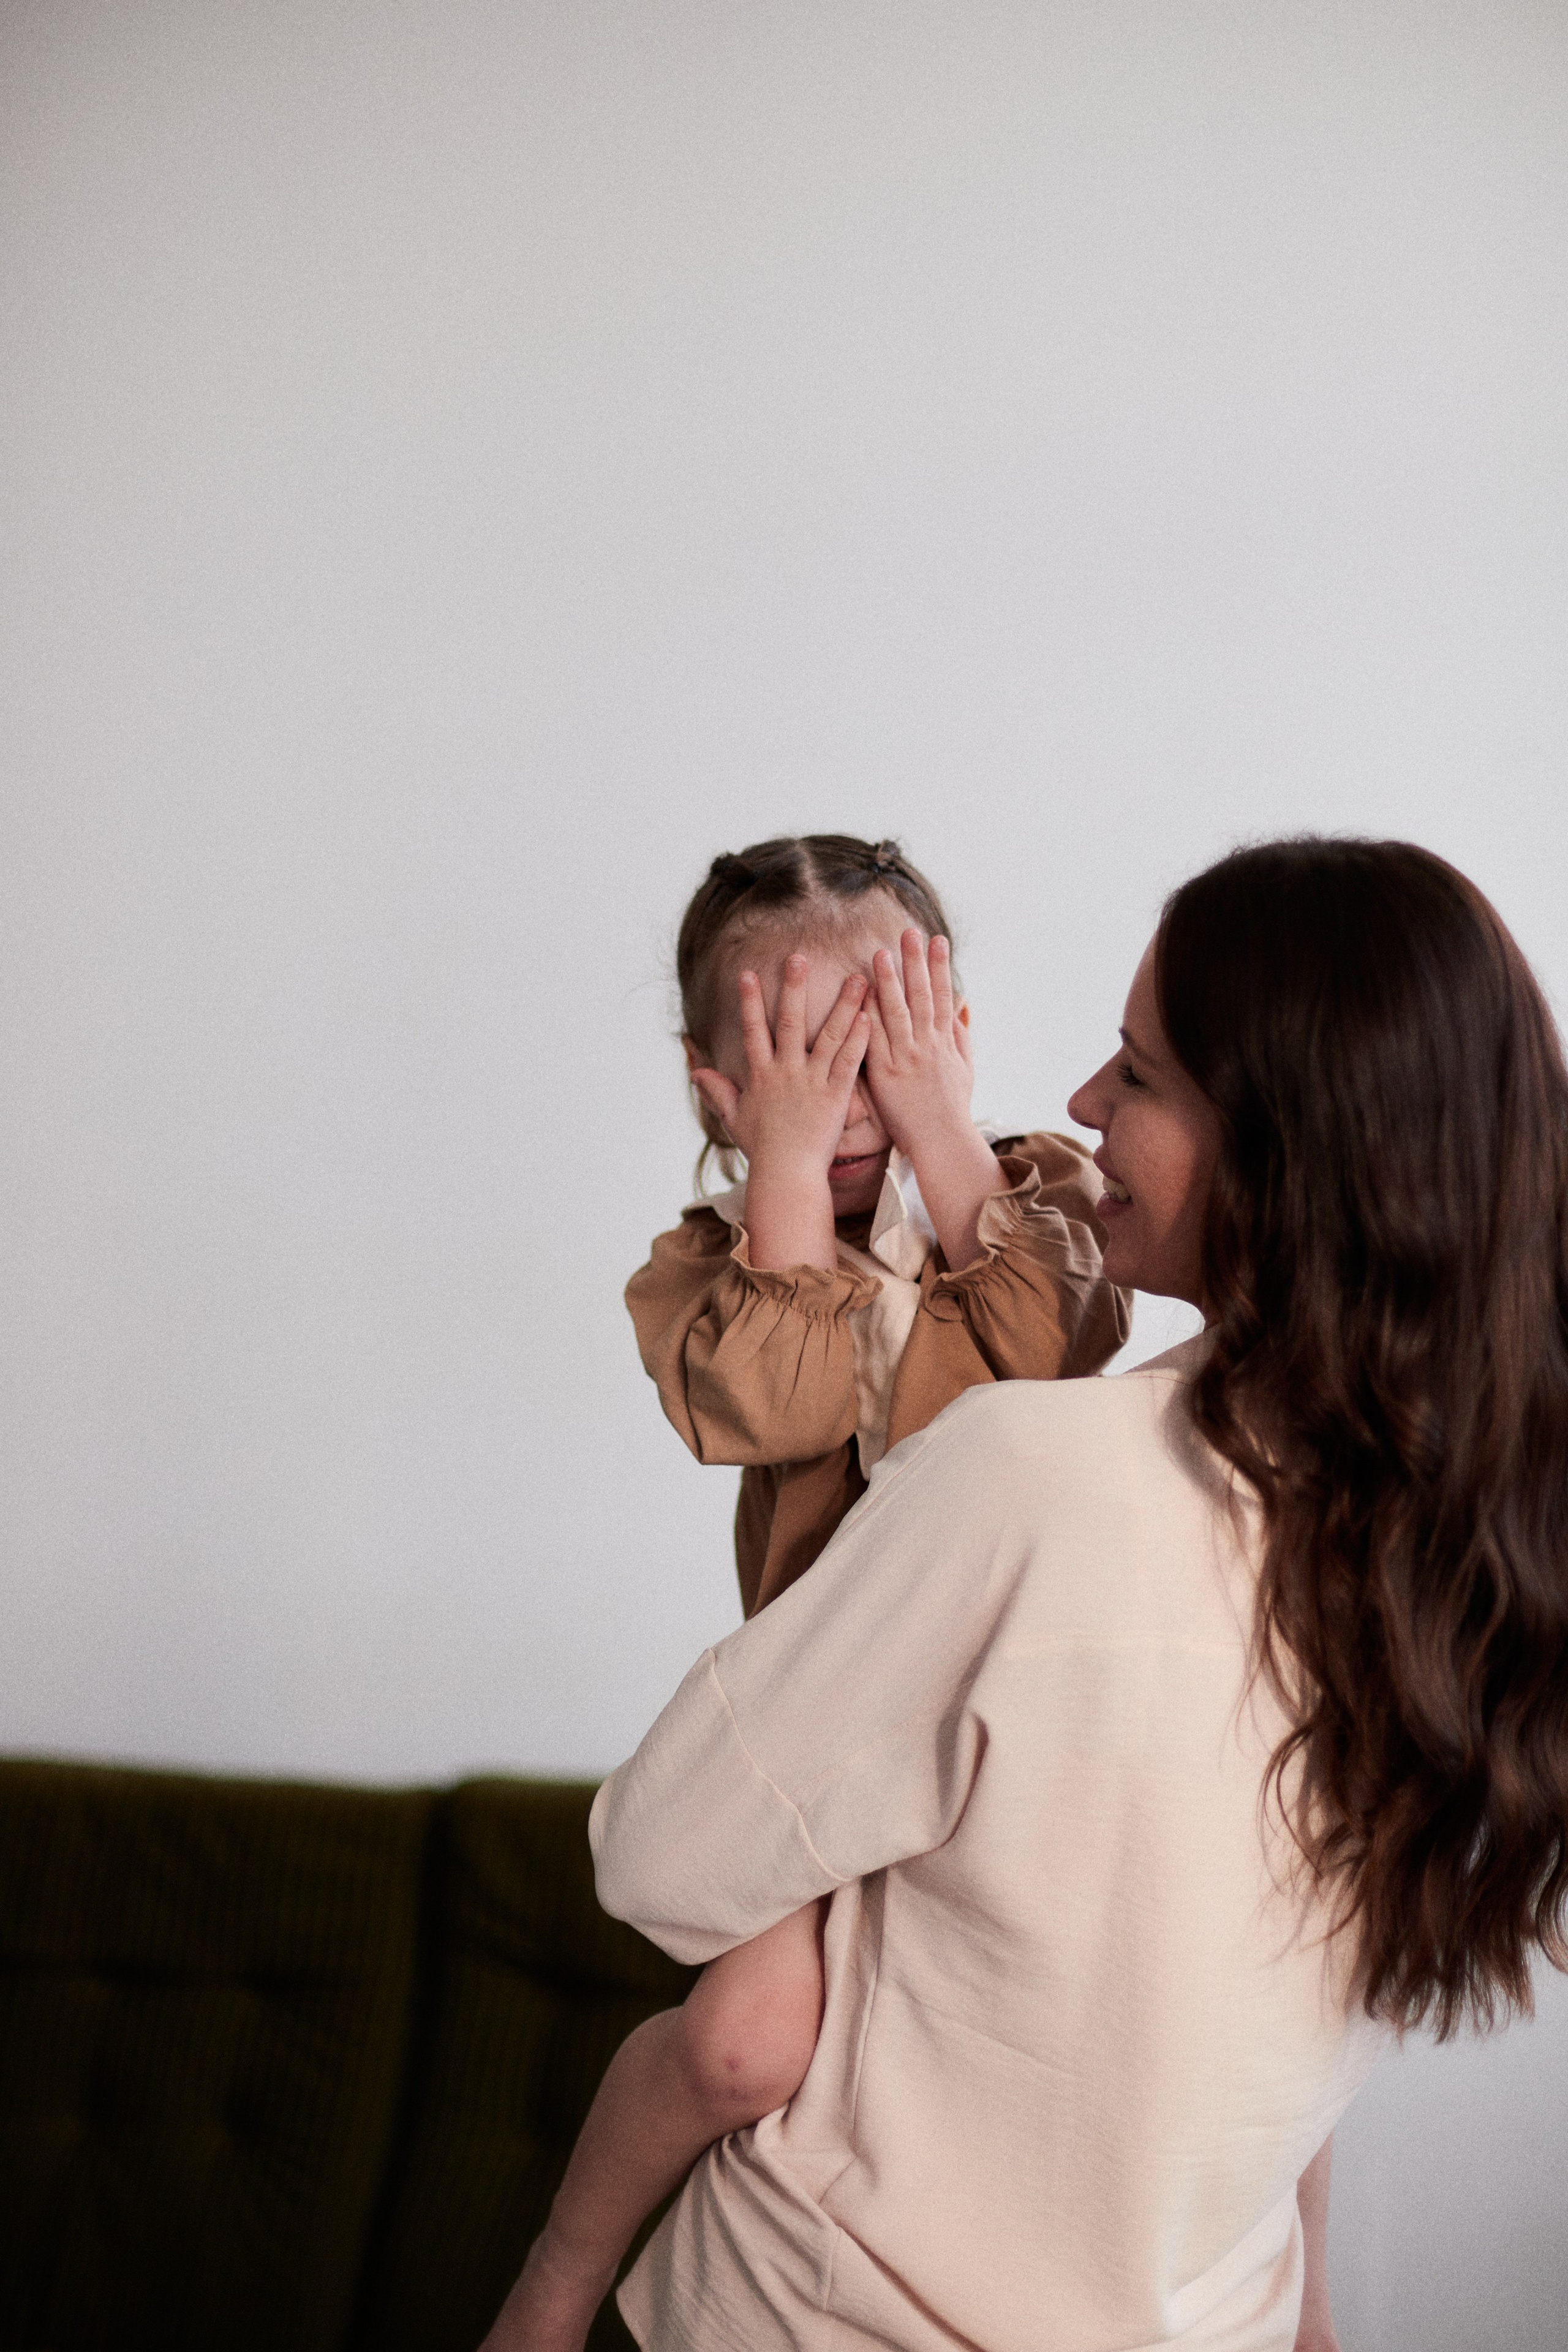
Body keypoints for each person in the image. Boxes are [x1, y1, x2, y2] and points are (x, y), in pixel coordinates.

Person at [573, 839, 1568, 2352]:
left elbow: (655, 1857)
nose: (1089, 1103)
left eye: (1141, 1073)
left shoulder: (1036, 1476)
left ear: (1290, 1152)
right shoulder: (1479, 1546)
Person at [480, 834, 1130, 2351]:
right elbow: (773, 1404)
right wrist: (781, 1168)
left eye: (881, 1043)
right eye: (800, 1061)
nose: (849, 1106)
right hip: (828, 1732)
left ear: (946, 1035)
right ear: (717, 1086)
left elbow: (1062, 1352)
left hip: (1017, 1722)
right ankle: (561, 2276)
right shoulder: (708, 1275)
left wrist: (946, 1130)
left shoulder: (1022, 1203)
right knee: (740, 2044)